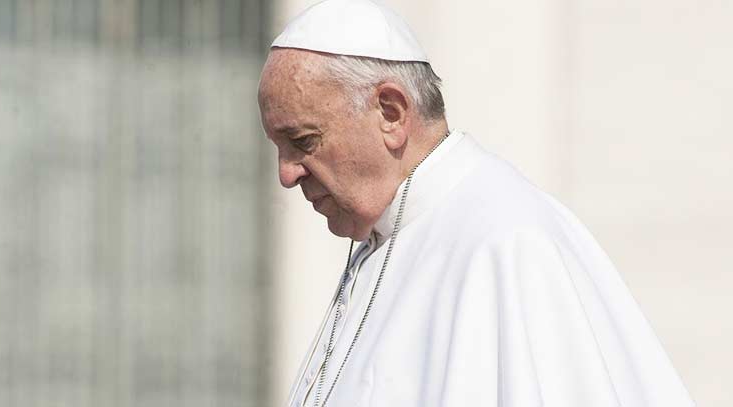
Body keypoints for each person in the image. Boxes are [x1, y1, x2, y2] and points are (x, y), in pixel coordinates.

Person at [258, 1, 695, 406]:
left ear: (391, 113)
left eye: (303, 142)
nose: (287, 174)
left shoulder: (508, 242)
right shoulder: (383, 239)